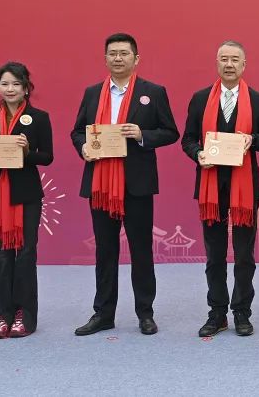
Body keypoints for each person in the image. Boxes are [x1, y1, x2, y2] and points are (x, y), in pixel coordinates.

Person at [70, 33, 179, 336]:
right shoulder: (93, 93)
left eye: (124, 53)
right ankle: (103, 313)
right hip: (101, 185)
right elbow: (77, 132)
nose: (118, 58)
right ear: (105, 59)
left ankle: (145, 313)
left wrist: (143, 135)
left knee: (141, 250)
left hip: (136, 183)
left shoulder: (152, 92)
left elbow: (171, 132)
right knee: (105, 252)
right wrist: (83, 147)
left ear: (136, 58)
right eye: (113, 53)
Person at [181, 40, 259, 337]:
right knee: (214, 255)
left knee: (244, 255)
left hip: (245, 189)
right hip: (211, 188)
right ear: (217, 63)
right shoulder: (200, 99)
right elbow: (187, 139)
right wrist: (198, 154)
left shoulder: (257, 100)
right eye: (224, 59)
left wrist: (252, 140)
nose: (229, 64)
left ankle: (242, 312)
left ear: (244, 65)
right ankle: (217, 313)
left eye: (235, 59)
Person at [0, 62, 54, 338]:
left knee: (26, 255)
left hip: (27, 195)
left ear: (26, 88)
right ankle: (4, 314)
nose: (10, 89)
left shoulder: (39, 117)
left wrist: (27, 151)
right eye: (5, 84)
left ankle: (25, 315)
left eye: (16, 84)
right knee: (2, 256)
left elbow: (47, 157)